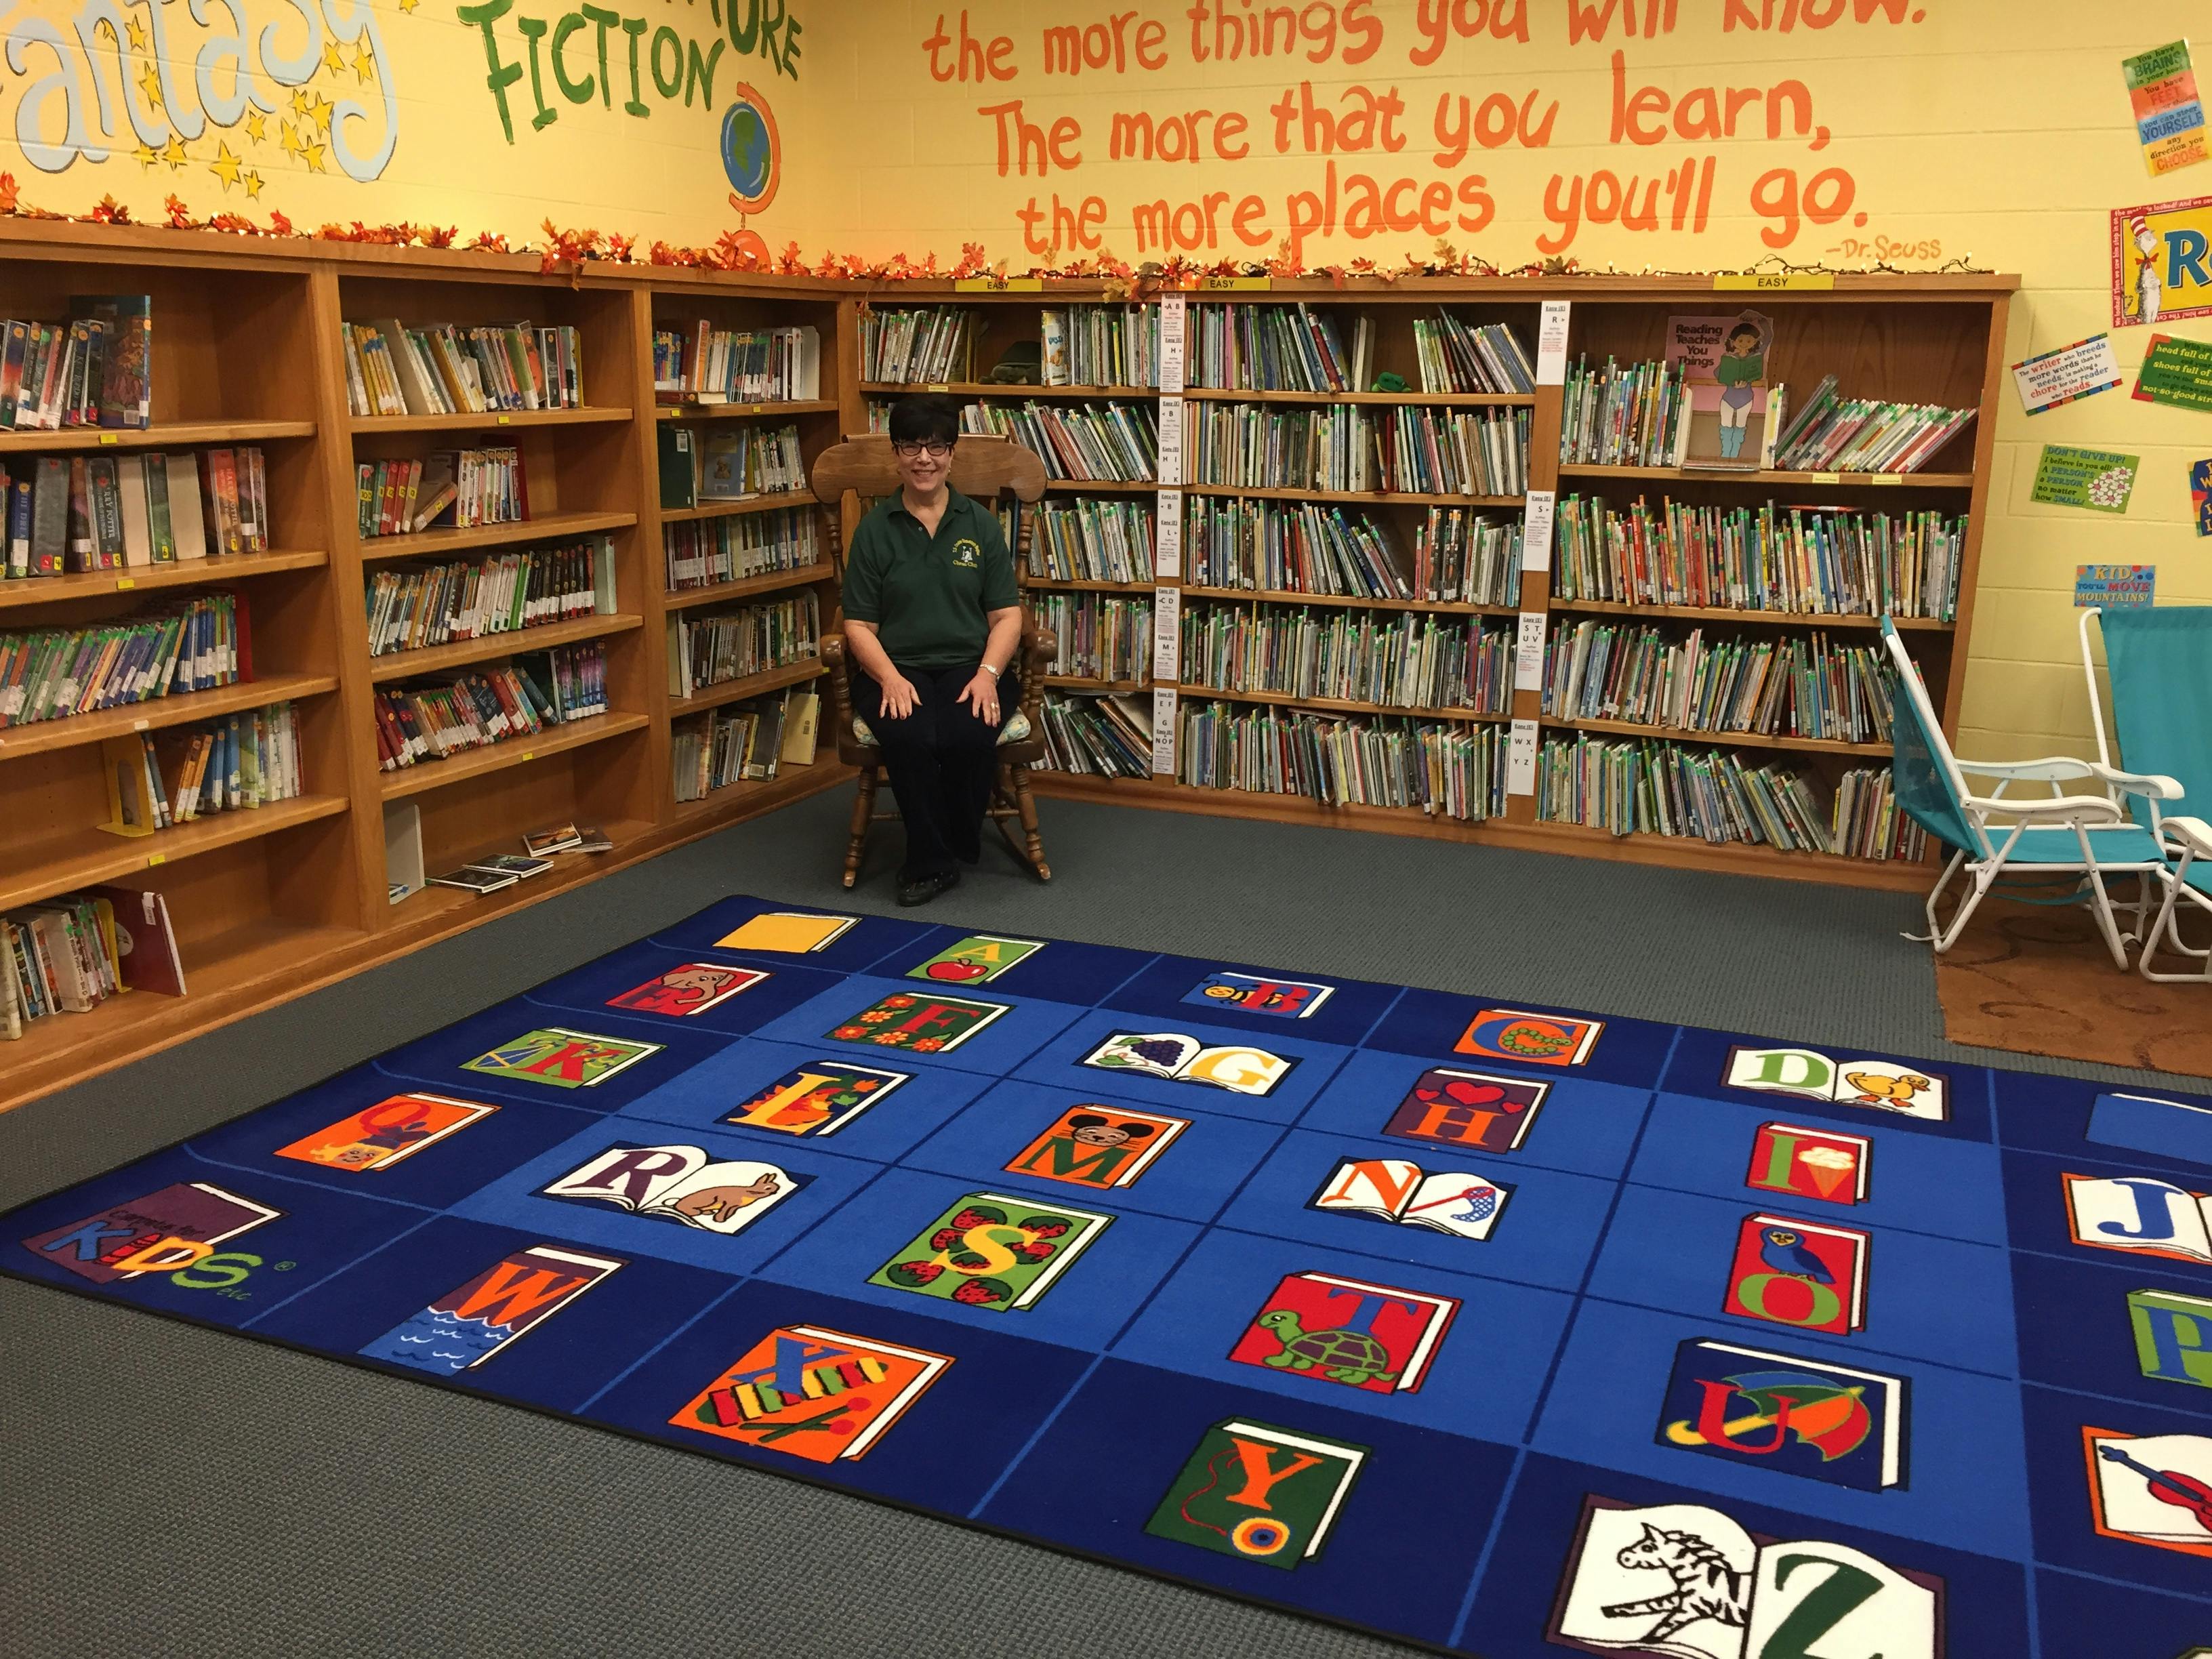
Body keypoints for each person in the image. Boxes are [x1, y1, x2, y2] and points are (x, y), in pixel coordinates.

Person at [841, 396, 1023, 907]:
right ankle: (930, 861)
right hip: (895, 667)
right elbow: (858, 625)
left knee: (969, 731)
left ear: (952, 454)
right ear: (895, 455)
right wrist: (889, 678)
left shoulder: (980, 525)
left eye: (936, 446)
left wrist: (989, 674)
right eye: (911, 446)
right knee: (911, 735)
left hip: (972, 665)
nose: (924, 458)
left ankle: (955, 841)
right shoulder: (875, 530)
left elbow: (1007, 617)